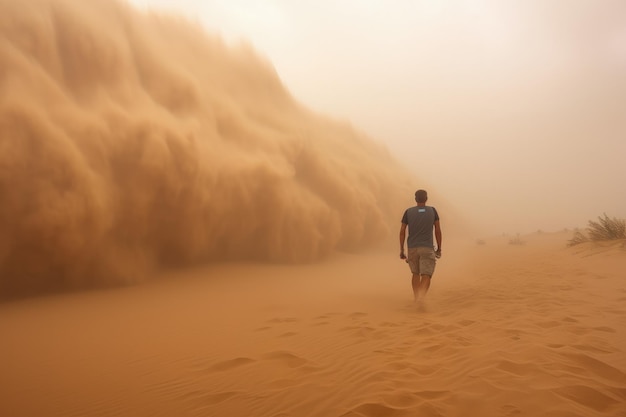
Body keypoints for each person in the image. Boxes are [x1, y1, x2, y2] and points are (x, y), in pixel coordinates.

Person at [399, 189, 442, 302]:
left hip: (412, 248)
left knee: (415, 273)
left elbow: (402, 231)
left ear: (415, 199)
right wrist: (439, 248)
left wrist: (401, 249)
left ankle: (416, 298)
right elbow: (437, 230)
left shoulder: (408, 212)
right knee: (426, 275)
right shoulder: (433, 211)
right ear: (426, 198)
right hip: (427, 247)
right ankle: (421, 298)